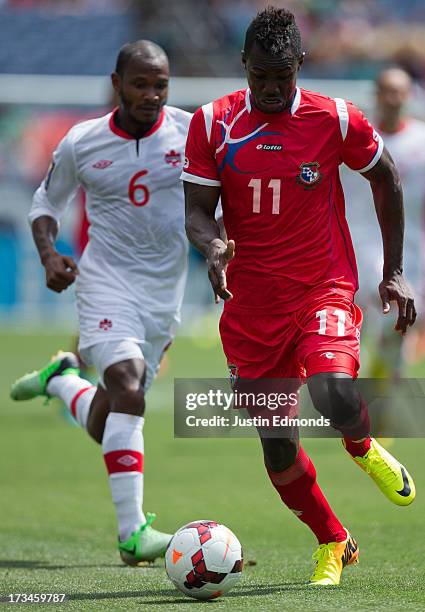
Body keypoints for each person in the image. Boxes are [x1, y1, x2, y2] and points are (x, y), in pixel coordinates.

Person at [183, 7, 416, 587]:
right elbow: (195, 211)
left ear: (300, 66)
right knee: (277, 444)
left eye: (281, 77)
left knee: (333, 390)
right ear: (244, 65)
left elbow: (385, 178)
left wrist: (395, 271)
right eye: (259, 75)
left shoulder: (335, 118)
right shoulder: (213, 124)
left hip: (323, 285)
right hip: (250, 307)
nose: (269, 88)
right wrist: (212, 247)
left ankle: (363, 446)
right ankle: (333, 542)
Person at [10, 40, 191, 565]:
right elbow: (46, 202)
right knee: (130, 388)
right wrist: (49, 254)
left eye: (160, 85)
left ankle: (62, 380)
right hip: (105, 282)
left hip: (164, 296)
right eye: (140, 84)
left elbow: (216, 193)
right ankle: (132, 534)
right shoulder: (82, 142)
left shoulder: (190, 132)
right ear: (117, 84)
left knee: (109, 413)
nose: (151, 95)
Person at [345, 67, 425, 380]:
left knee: (398, 328)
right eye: (387, 92)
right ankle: (358, 393)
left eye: (400, 92)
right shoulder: (359, 139)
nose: (393, 99)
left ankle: (383, 393)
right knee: (371, 319)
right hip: (363, 242)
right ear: (376, 96)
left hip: (412, 246)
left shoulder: (421, 140)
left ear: (409, 96)